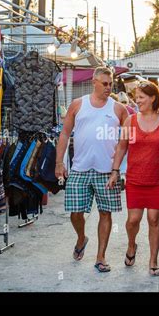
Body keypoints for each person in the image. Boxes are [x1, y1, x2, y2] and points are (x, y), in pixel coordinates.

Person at [55, 66, 129, 273]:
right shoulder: (78, 105)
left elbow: (127, 141)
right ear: (94, 82)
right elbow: (64, 134)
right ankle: (81, 237)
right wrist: (59, 163)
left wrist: (120, 170)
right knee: (75, 211)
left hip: (108, 171)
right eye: (104, 83)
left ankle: (100, 257)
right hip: (80, 168)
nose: (108, 87)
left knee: (106, 213)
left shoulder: (119, 109)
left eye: (110, 83)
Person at [107, 81, 159, 276]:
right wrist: (115, 171)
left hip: (157, 179)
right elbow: (122, 147)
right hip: (134, 179)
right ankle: (132, 245)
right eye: (137, 97)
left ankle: (153, 261)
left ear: (153, 98)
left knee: (153, 219)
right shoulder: (130, 121)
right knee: (133, 220)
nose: (137, 101)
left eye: (141, 97)